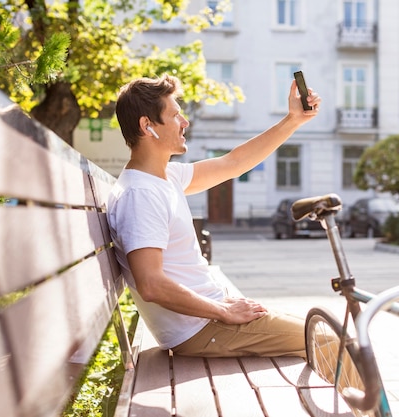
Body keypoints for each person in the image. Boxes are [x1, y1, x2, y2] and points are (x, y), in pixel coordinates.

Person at [107, 74, 321, 358]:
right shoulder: (141, 194)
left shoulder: (164, 177)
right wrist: (224, 311)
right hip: (201, 329)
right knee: (332, 341)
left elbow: (233, 163)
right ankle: (367, 404)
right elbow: (151, 284)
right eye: (175, 116)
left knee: (320, 333)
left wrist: (293, 120)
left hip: (208, 319)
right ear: (147, 126)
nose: (185, 123)